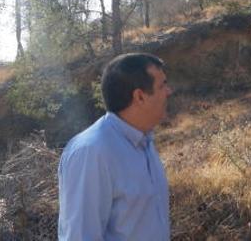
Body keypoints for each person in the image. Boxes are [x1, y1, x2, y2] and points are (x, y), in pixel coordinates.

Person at [58, 53, 174, 240]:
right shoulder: (91, 152)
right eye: (162, 85)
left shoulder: (145, 142)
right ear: (140, 96)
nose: (169, 91)